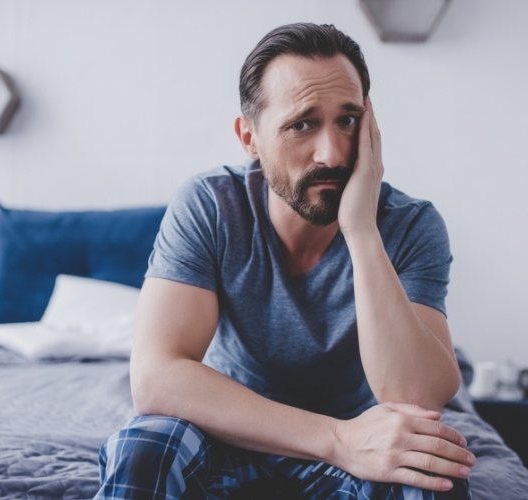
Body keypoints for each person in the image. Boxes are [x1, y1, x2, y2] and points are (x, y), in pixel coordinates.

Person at [95, 22, 475, 499]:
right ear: (249, 137)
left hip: (366, 440)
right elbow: (155, 378)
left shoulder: (411, 225)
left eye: (348, 120)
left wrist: (360, 230)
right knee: (147, 446)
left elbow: (416, 398)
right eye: (302, 124)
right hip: (236, 430)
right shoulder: (211, 206)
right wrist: (336, 440)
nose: (332, 152)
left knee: (432, 474)